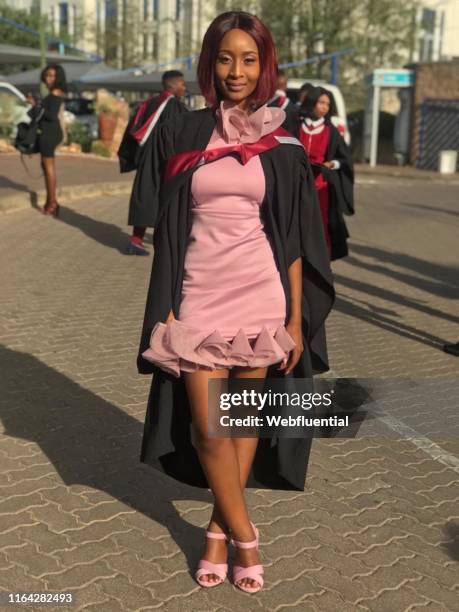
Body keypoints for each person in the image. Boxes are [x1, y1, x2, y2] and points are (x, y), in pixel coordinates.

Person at [136, 11, 334, 593]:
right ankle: (247, 534)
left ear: (265, 64)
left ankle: (217, 535)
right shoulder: (185, 132)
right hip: (199, 296)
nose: (237, 70)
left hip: (260, 297)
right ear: (210, 63)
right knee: (207, 432)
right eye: (226, 58)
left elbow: (293, 240)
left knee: (243, 423)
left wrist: (294, 318)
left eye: (249, 59)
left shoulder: (284, 142)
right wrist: (166, 302)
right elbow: (169, 224)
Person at [118, 70, 188, 255]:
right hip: (164, 160)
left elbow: (132, 129)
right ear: (173, 86)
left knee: (145, 196)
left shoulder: (149, 103)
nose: (184, 88)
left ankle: (136, 241)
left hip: (146, 157)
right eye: (182, 84)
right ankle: (166, 245)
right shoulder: (173, 106)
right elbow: (180, 134)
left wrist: (135, 157)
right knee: (166, 200)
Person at [287, 86, 354, 260]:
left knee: (321, 224)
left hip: (320, 186)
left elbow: (345, 159)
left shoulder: (331, 131)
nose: (324, 107)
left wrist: (332, 163)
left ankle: (321, 260)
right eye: (321, 102)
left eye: (327, 104)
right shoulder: (296, 125)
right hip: (296, 184)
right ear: (312, 102)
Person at [36, 64, 66, 217]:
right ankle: (51, 201)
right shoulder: (53, 93)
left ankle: (52, 202)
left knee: (48, 168)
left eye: (52, 75)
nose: (49, 78)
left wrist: (36, 105)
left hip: (50, 133)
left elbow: (51, 115)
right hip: (49, 132)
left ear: (58, 77)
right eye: (47, 75)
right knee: (46, 166)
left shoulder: (55, 93)